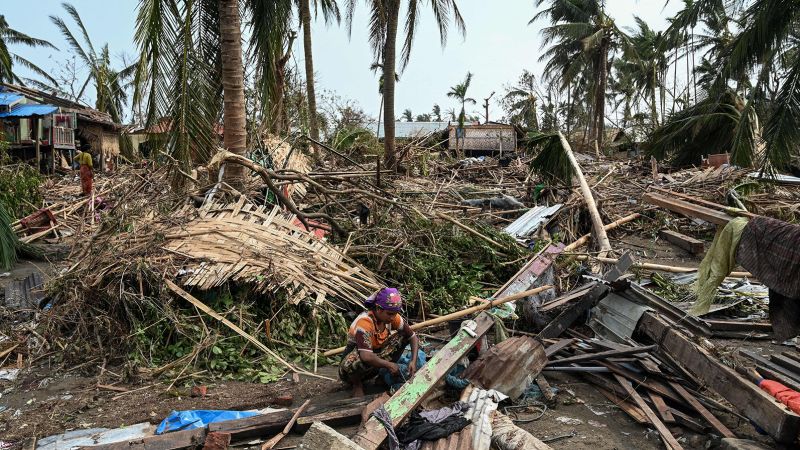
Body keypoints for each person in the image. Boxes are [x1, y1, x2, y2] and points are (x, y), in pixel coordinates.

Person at [339, 287, 420, 397]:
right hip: (350, 370)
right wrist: (390, 365)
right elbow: (366, 356)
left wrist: (413, 361)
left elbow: (413, 336)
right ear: (378, 309)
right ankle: (357, 385)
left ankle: (382, 375)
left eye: (395, 313)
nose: (393, 317)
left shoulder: (392, 317)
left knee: (404, 336)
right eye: (390, 314)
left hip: (375, 356)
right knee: (355, 360)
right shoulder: (365, 322)